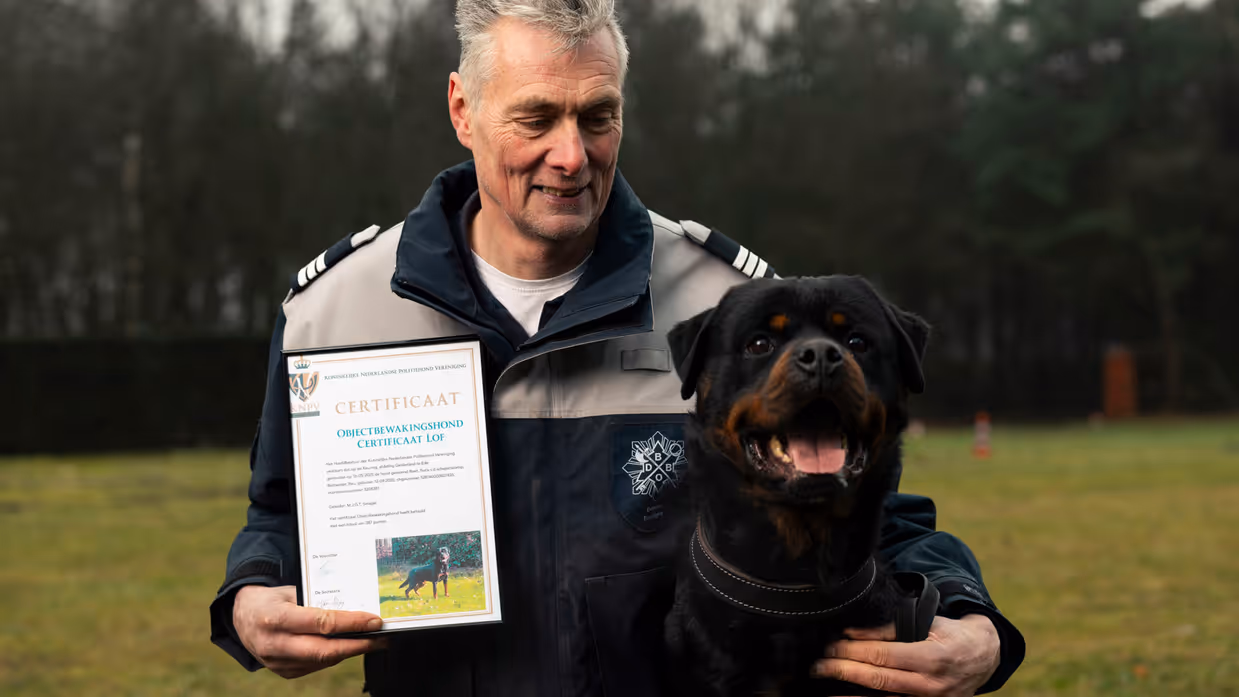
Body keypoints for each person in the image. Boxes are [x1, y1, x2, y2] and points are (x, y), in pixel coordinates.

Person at [209, 1, 1025, 694]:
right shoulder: (337, 308)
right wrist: (251, 595)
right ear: (462, 110)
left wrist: (971, 618)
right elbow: (279, 514)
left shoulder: (729, 309)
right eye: (536, 117)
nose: (572, 155)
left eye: (597, 116)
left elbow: (864, 500)